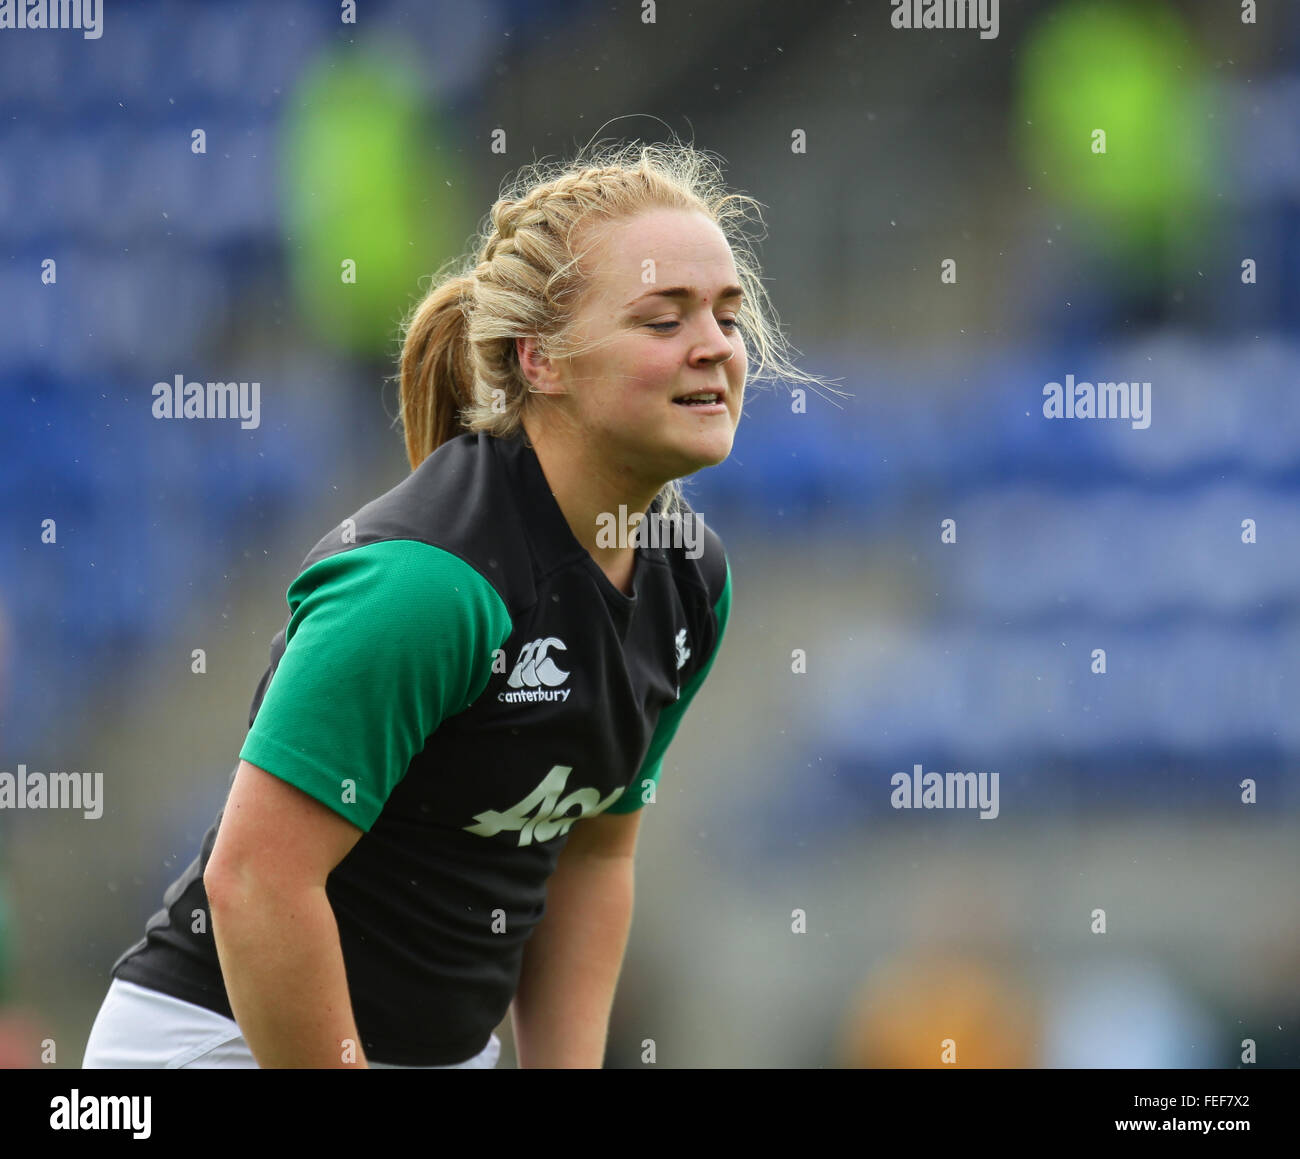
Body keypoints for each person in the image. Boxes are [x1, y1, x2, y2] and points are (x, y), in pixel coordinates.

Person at [82, 138, 817, 1068]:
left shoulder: (689, 581)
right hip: (220, 1046)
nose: (714, 344)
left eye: (725, 313)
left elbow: (593, 857)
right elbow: (256, 880)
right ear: (539, 360)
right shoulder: (428, 586)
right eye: (663, 320)